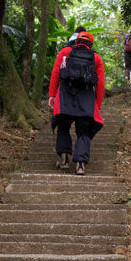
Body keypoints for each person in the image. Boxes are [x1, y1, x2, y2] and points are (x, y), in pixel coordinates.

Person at [48, 31, 105, 175]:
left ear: (76, 40)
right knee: (83, 131)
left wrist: (52, 95)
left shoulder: (65, 52)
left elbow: (55, 74)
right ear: (90, 44)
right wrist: (97, 103)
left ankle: (64, 159)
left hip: (65, 96)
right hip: (86, 98)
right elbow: (100, 84)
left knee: (63, 126)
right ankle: (80, 165)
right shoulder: (96, 58)